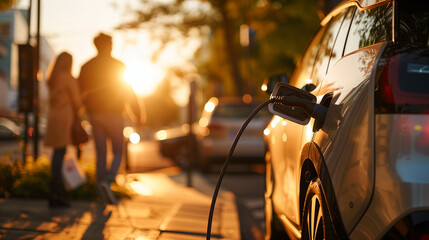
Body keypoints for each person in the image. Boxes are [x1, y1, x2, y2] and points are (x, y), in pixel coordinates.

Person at [78, 33, 141, 204]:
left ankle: (100, 190)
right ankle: (108, 180)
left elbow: (79, 93)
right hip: (114, 114)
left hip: (95, 115)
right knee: (118, 150)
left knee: (101, 154)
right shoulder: (118, 65)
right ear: (107, 45)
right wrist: (138, 114)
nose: (112, 46)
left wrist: (79, 112)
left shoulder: (87, 66)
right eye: (111, 43)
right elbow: (128, 92)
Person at [44, 52, 81, 208]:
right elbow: (77, 101)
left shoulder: (51, 79)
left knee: (56, 154)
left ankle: (54, 192)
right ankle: (58, 194)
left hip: (53, 118)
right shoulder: (67, 77)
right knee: (60, 154)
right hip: (64, 118)